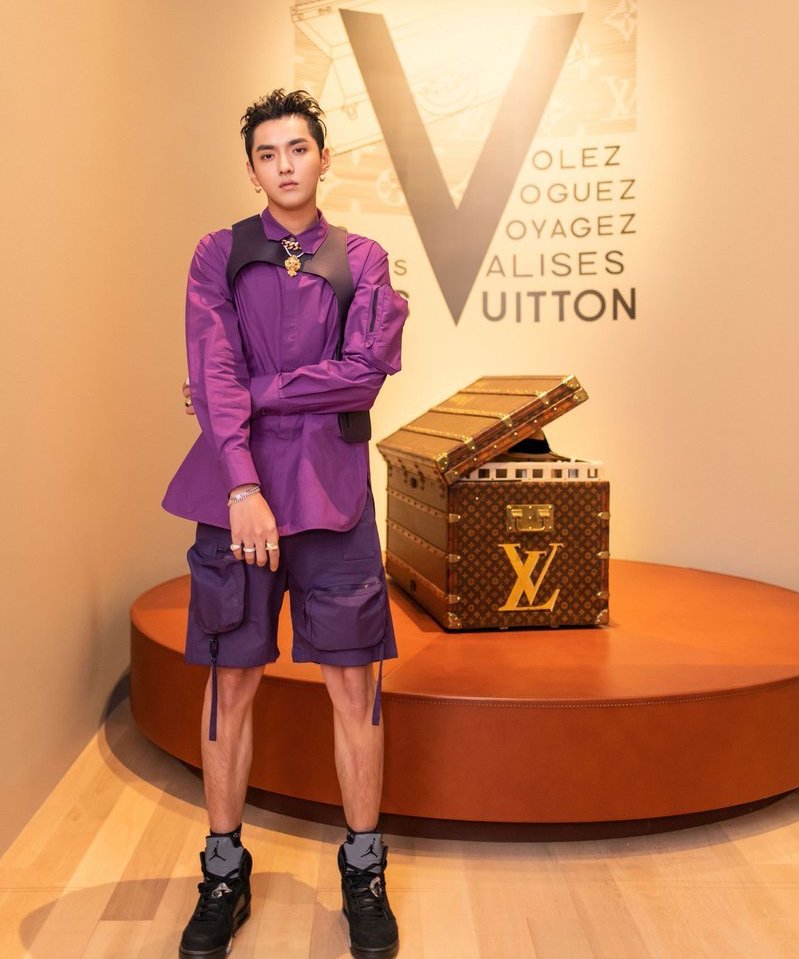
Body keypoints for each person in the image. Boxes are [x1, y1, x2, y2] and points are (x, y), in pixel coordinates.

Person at [162, 88, 408, 959]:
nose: (284, 165)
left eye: (297, 148)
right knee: (230, 682)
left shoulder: (364, 259)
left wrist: (254, 390)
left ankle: (363, 870)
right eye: (267, 154)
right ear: (252, 170)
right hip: (237, 494)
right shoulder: (217, 253)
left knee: (354, 683)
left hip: (334, 499)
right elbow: (211, 367)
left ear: (323, 158)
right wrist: (241, 483)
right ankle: (223, 871)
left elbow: (364, 373)